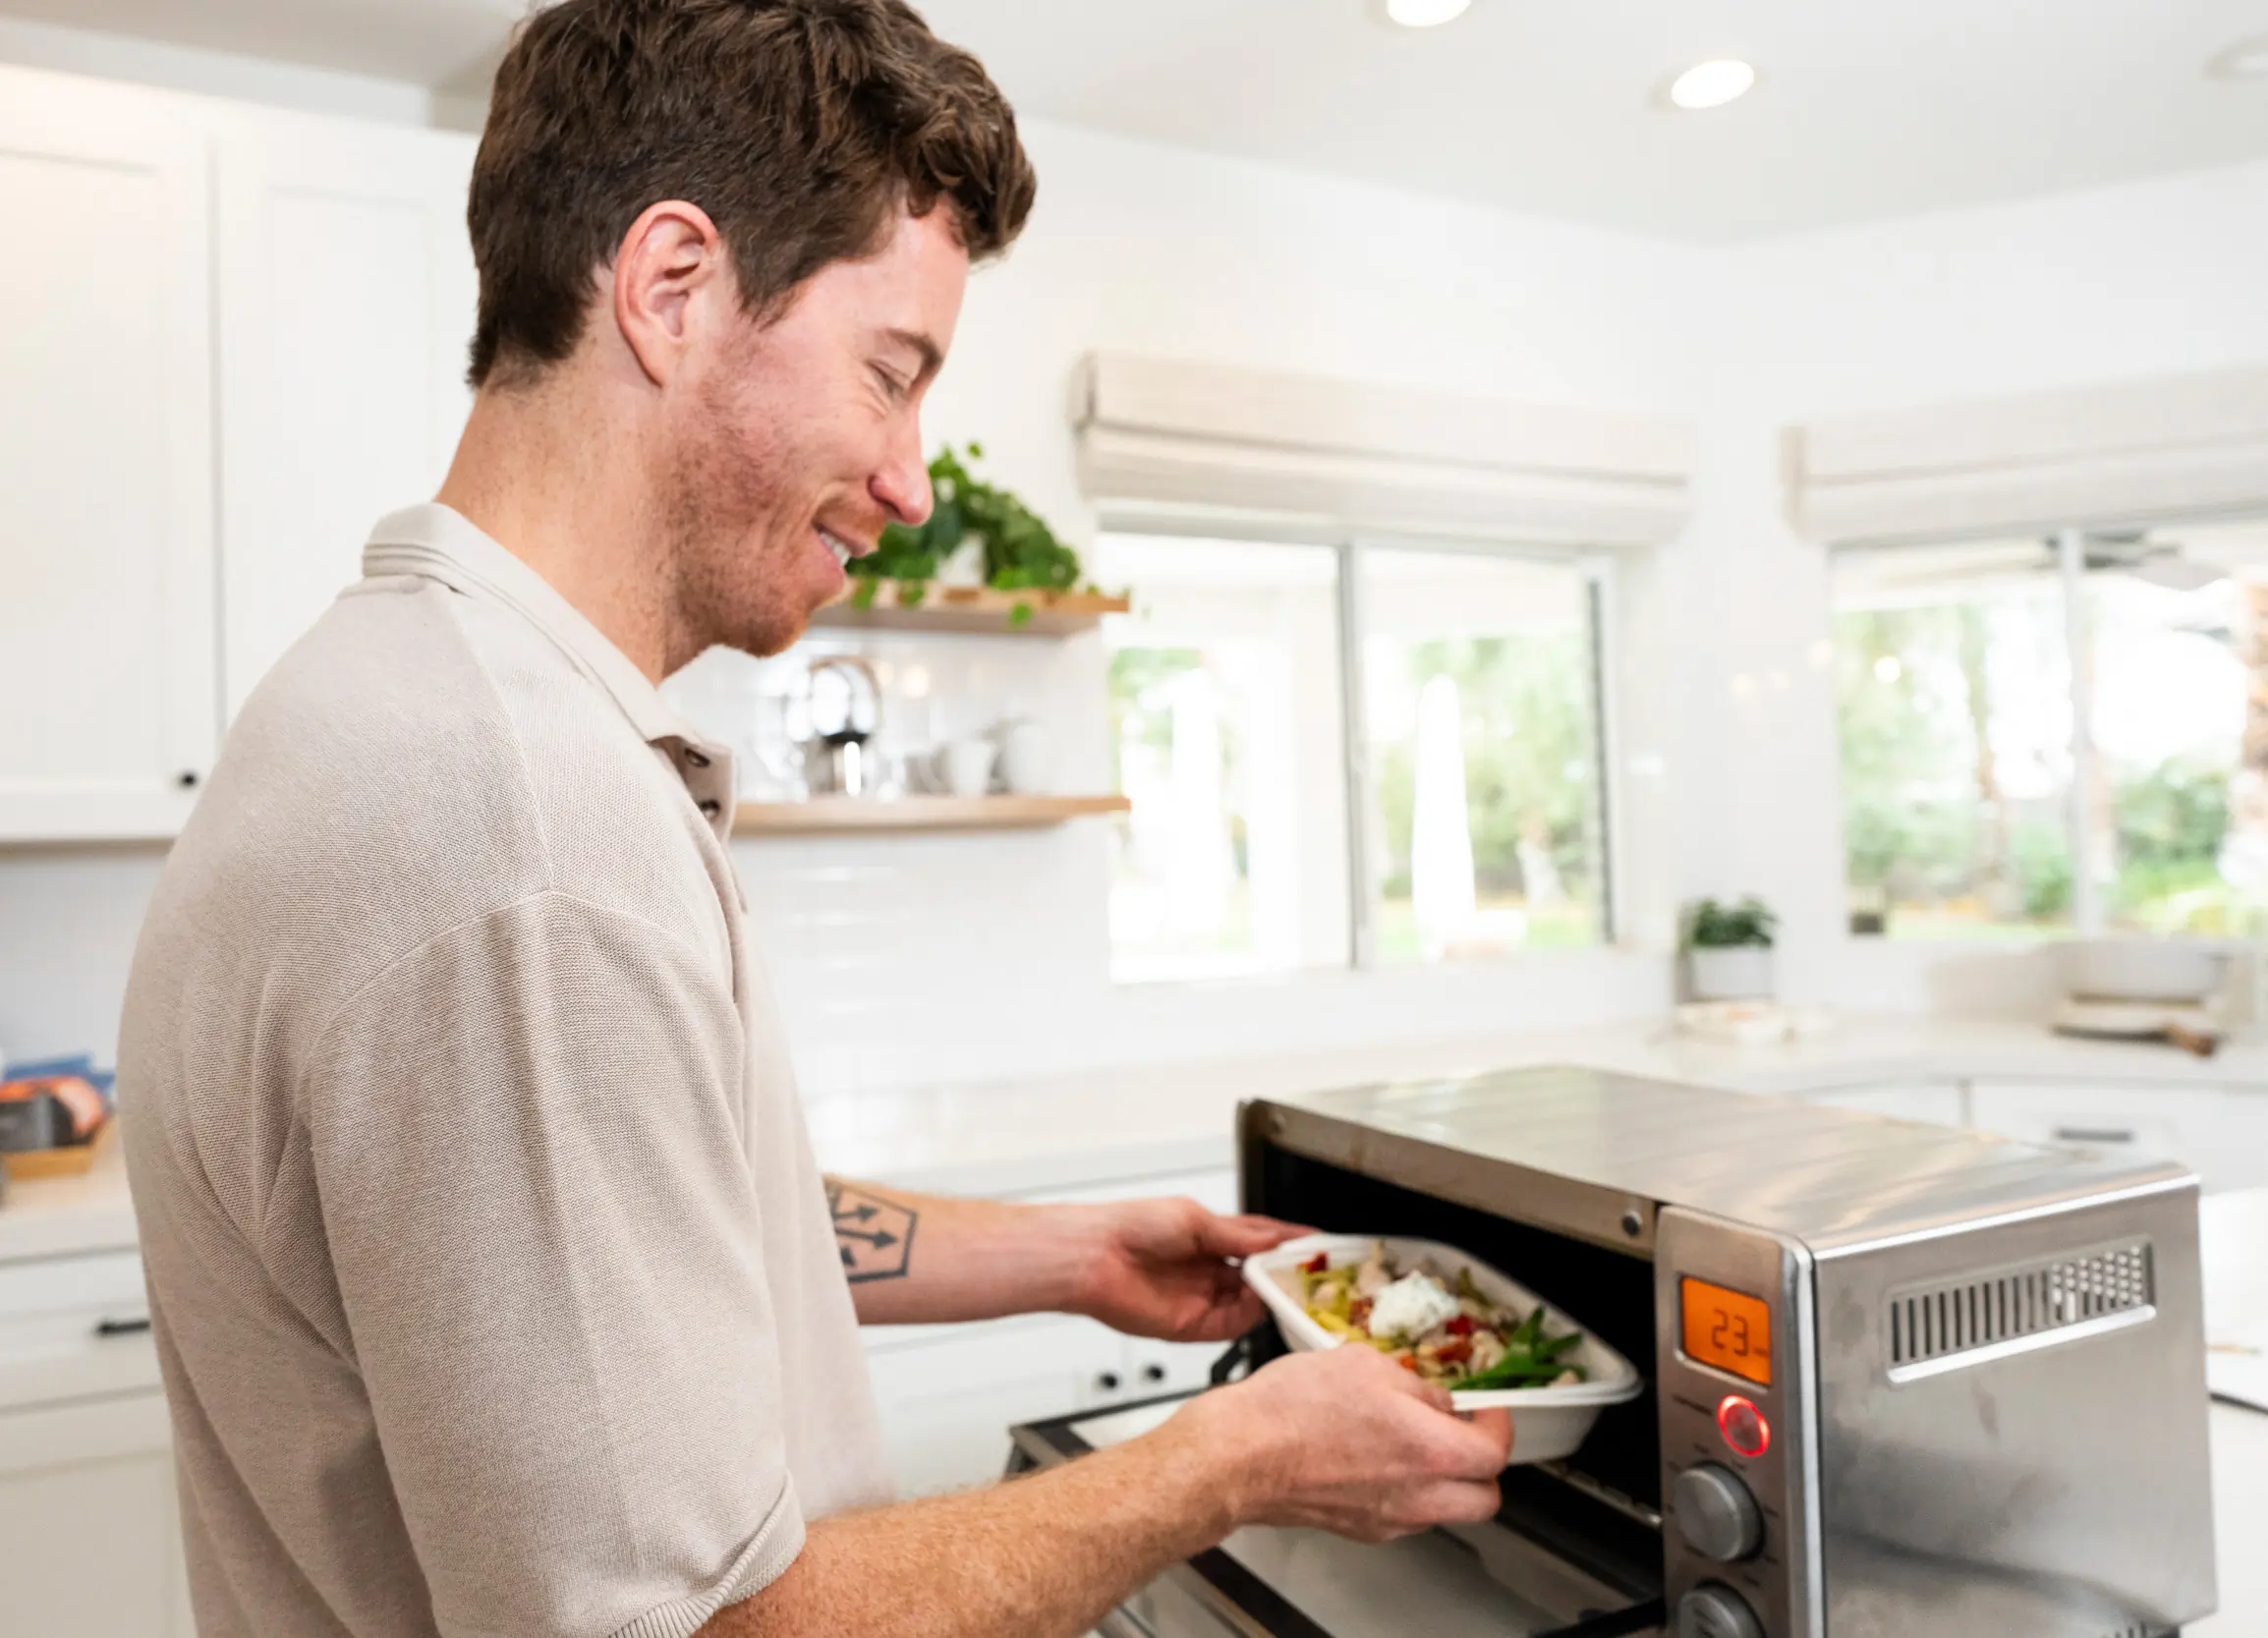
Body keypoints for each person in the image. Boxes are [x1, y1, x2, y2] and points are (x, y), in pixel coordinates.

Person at [117, 2, 1512, 1634]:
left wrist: (1060, 1253)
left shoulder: (414, 703)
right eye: (891, 371)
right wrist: (1224, 1459)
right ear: (671, 289)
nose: (914, 481)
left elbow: (621, 1260)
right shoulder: (523, 835)